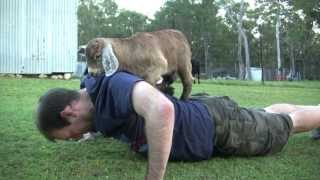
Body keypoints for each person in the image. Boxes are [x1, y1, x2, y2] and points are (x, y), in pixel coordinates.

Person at [36, 71, 320, 180]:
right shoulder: (94, 98)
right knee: (268, 114)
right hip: (209, 117)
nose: (71, 139)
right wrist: (90, 133)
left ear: (68, 113)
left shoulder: (112, 85)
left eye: (66, 137)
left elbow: (162, 108)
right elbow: (107, 118)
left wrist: (154, 177)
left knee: (285, 124)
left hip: (216, 127)